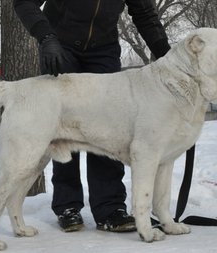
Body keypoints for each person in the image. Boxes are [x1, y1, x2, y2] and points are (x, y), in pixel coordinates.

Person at [13, 0, 171, 233]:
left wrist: (165, 54)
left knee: (109, 127)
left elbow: (144, 12)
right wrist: (46, 37)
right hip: (60, 45)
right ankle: (68, 206)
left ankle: (110, 208)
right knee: (63, 126)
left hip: (103, 50)